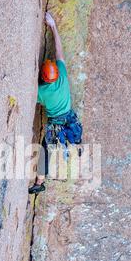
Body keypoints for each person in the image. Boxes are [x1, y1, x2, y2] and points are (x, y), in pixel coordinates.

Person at [28, 12, 81, 195]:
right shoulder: (63, 76)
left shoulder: (42, 92)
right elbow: (59, 51)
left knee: (44, 149)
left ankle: (39, 181)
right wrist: (53, 26)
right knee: (71, 136)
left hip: (57, 123)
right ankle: (73, 147)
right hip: (70, 116)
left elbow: (28, 98)